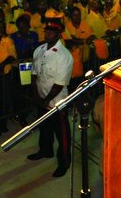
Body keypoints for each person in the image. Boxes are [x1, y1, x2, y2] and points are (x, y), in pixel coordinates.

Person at [27, 19, 73, 178]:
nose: (47, 33)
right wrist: (36, 95)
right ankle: (45, 151)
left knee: (62, 134)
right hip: (41, 98)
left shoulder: (64, 55)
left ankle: (64, 162)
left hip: (56, 102)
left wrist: (46, 100)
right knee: (44, 129)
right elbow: (34, 74)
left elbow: (60, 83)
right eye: (46, 31)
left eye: (51, 31)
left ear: (59, 34)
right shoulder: (39, 50)